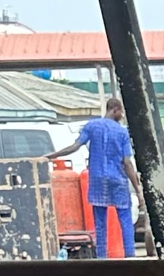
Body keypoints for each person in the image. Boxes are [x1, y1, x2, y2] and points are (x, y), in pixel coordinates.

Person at [51, 100, 142, 258]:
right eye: (121, 112)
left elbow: (74, 146)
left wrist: (52, 156)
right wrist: (137, 188)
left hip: (97, 179)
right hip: (118, 179)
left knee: (100, 222)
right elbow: (127, 162)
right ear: (115, 110)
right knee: (125, 220)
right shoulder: (122, 132)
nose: (121, 116)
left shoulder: (91, 126)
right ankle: (130, 256)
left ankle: (101, 257)